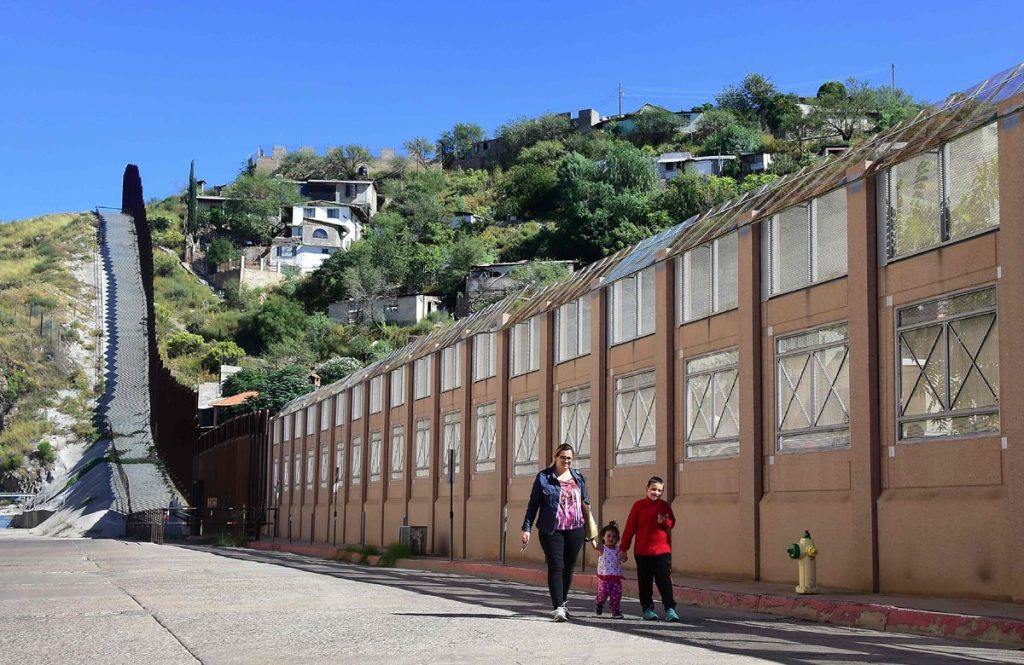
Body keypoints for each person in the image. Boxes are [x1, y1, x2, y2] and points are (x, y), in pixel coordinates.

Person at [521, 443, 590, 622]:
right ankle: (558, 606)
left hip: (575, 529)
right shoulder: (544, 477)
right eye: (563, 457)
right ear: (556, 457)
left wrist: (592, 531)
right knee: (556, 566)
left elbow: (585, 504)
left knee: (568, 567)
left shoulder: (578, 477)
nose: (566, 461)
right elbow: (533, 504)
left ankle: (563, 603)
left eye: (569, 458)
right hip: (552, 529)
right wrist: (526, 528)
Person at [619, 476, 679, 622]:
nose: (656, 493)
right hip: (642, 552)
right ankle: (647, 609)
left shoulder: (664, 506)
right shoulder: (638, 506)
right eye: (653, 489)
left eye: (659, 490)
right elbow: (630, 528)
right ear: (647, 489)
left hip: (662, 551)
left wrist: (664, 521)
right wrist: (624, 548)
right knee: (645, 582)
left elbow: (672, 523)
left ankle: (670, 609)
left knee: (664, 580)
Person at [592, 521, 624, 618]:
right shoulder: (602, 549)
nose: (611, 538)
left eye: (614, 537)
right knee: (603, 594)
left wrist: (624, 557)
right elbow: (594, 546)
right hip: (604, 578)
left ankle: (615, 611)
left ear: (617, 539)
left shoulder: (618, 550)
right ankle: (599, 603)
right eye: (608, 536)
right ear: (603, 537)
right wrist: (591, 537)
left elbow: (624, 558)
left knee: (616, 595)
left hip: (616, 578)